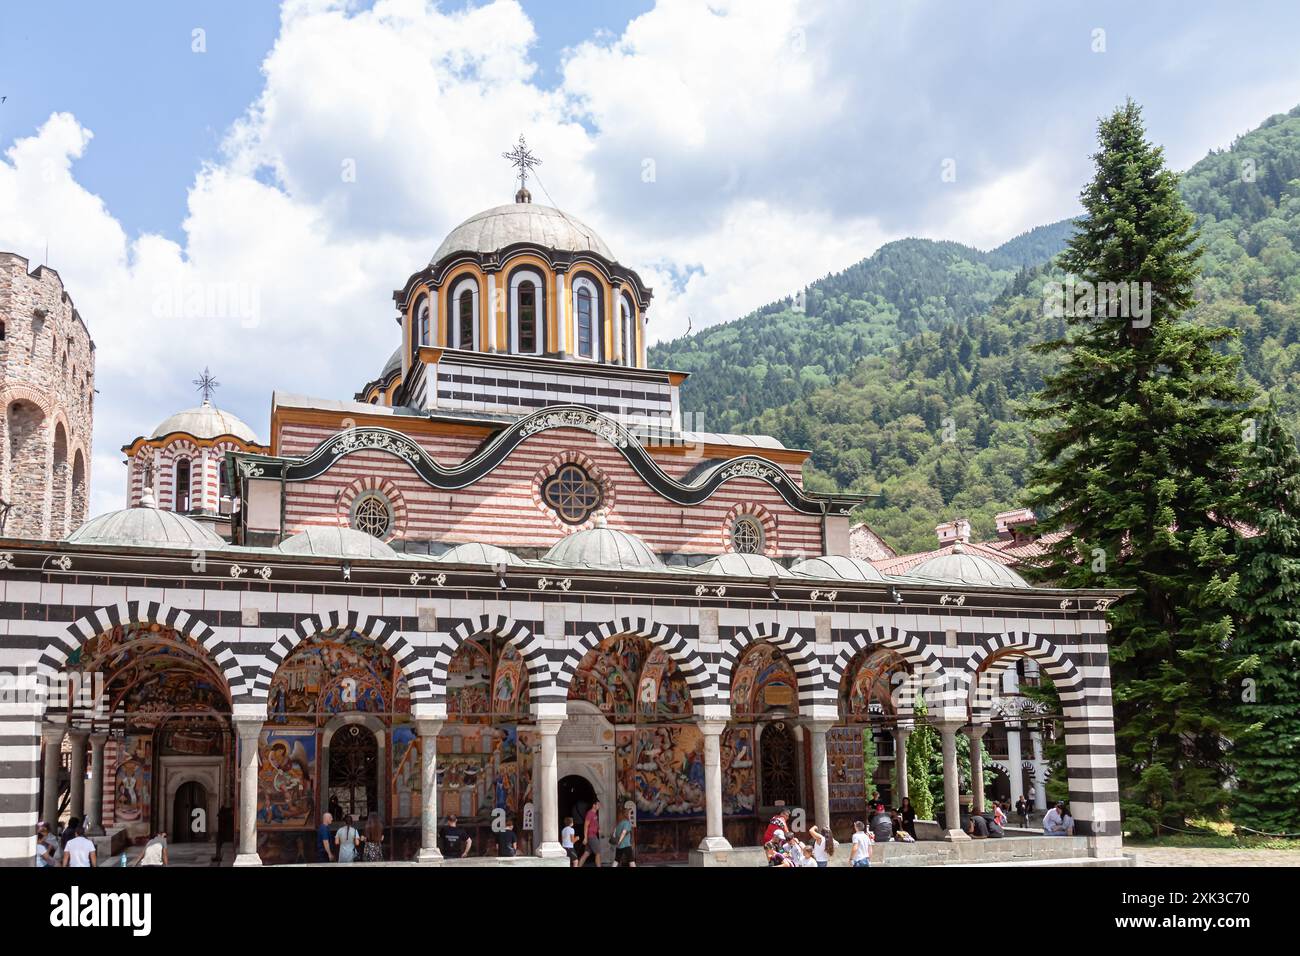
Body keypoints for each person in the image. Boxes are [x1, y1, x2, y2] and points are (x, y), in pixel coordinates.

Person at [576, 800, 603, 867]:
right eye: (598, 805)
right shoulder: (590, 813)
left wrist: (598, 829)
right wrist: (585, 837)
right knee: (598, 853)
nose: (599, 806)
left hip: (592, 836)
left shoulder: (594, 814)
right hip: (591, 836)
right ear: (594, 805)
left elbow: (595, 823)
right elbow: (586, 825)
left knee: (586, 853)